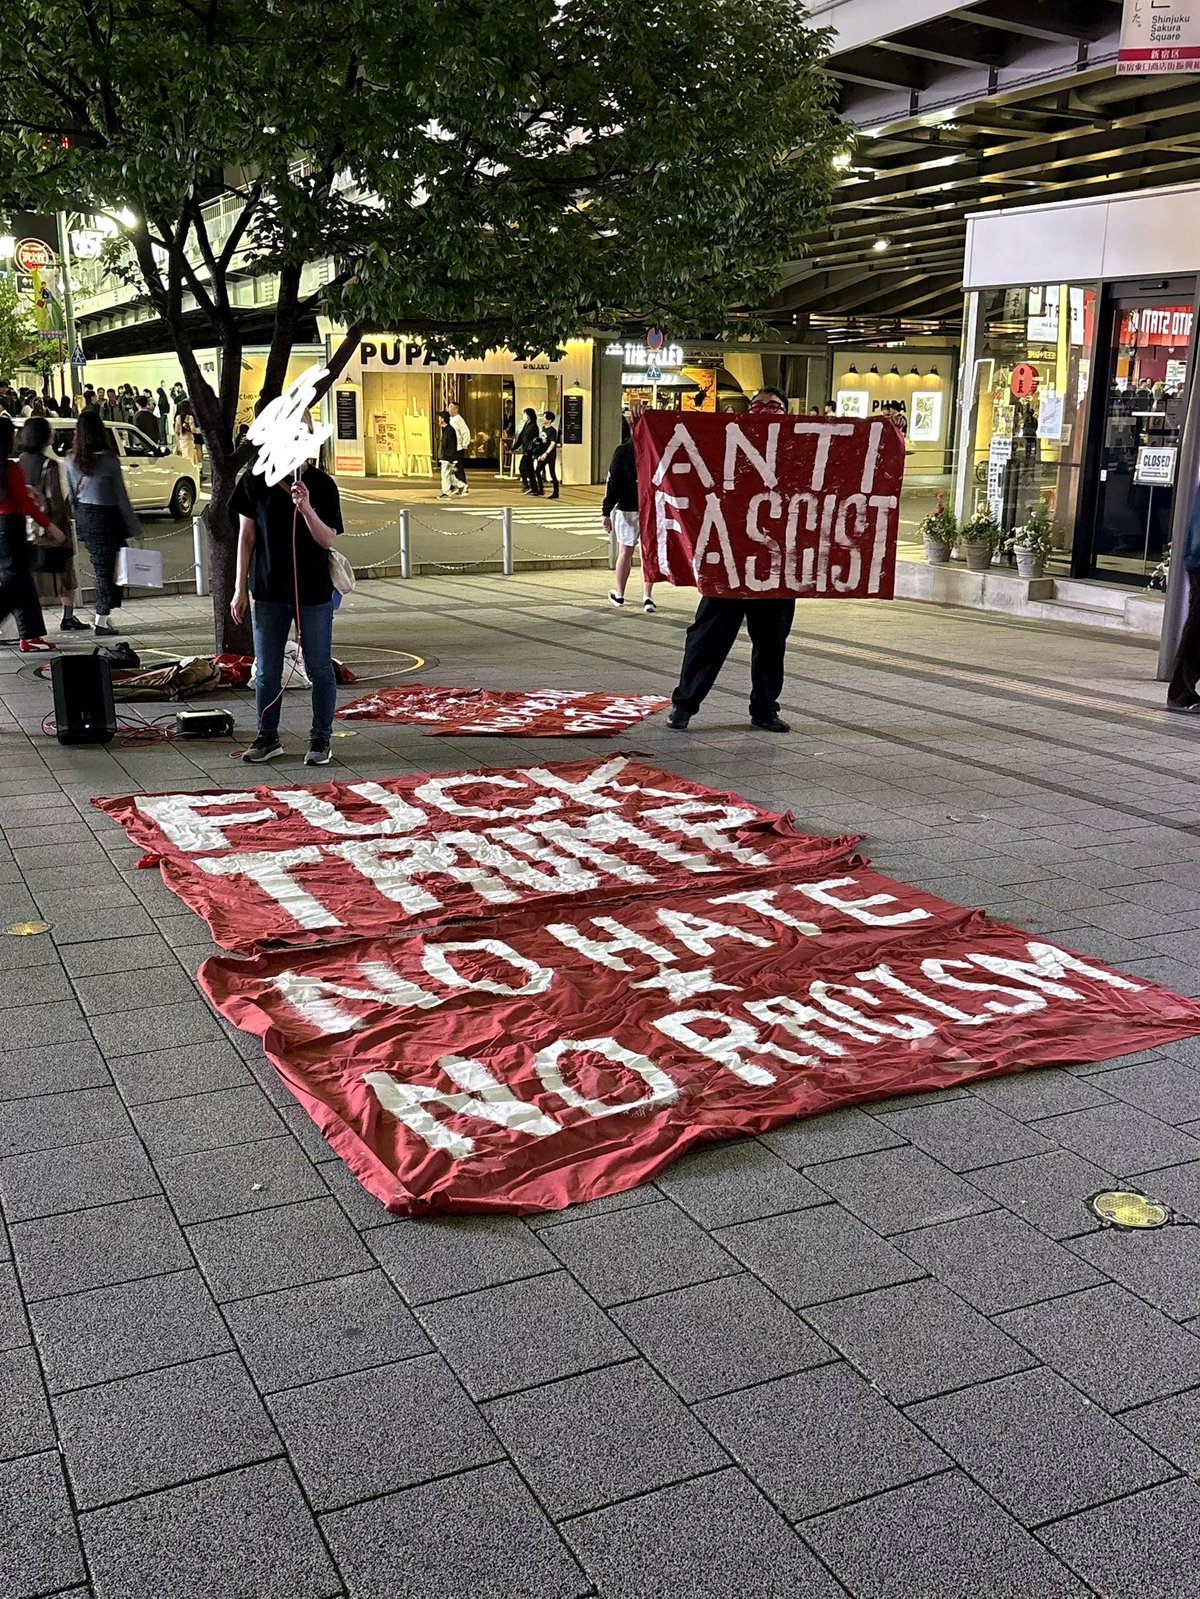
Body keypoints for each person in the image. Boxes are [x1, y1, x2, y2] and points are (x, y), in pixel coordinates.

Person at [667, 386, 795, 734]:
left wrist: (890, 430)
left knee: (771, 644)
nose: (765, 411)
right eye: (758, 406)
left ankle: (765, 708)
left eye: (774, 406)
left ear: (787, 413)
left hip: (774, 568)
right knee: (707, 638)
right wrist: (643, 422)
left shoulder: (799, 450)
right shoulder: (725, 444)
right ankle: (684, 704)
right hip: (728, 563)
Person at [231, 440, 344, 766]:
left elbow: (327, 538)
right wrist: (240, 588)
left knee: (318, 667)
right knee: (267, 671)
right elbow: (246, 536)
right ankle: (267, 737)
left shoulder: (322, 484)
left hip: (313, 591)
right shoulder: (255, 479)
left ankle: (320, 738)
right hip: (268, 589)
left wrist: (306, 508)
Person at [66, 408, 142, 636]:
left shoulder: (71, 460)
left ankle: (103, 615)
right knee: (109, 570)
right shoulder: (109, 461)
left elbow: (72, 494)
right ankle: (101, 619)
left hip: (86, 516)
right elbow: (121, 497)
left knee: (105, 567)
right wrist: (135, 527)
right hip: (108, 518)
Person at [0, 416, 67, 653]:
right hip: (11, 527)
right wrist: (51, 527)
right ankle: (29, 635)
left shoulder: (9, 467)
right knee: (15, 585)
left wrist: (25, 489)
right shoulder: (9, 468)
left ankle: (30, 635)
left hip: (4, 528)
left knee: (23, 583)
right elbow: (25, 505)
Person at [18, 417, 84, 632]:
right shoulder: (50, 464)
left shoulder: (19, 462)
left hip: (26, 528)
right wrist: (62, 529)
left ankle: (30, 621)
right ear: (46, 437)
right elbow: (55, 500)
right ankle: (68, 617)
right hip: (51, 527)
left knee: (31, 577)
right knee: (65, 572)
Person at [602, 435, 654, 613]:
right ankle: (647, 597)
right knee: (647, 554)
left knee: (625, 552)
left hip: (627, 507)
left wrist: (606, 511)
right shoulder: (654, 448)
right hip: (649, 508)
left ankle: (620, 594)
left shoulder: (623, 451)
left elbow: (614, 482)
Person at [436, 409, 464, 499]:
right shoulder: (446, 430)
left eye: (439, 417)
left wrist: (449, 458)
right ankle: (460, 485)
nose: (438, 419)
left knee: (445, 475)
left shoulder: (449, 430)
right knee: (449, 475)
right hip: (447, 457)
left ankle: (446, 493)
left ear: (443, 419)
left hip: (447, 457)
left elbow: (451, 445)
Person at [514, 407, 541, 495]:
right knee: (529, 469)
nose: (523, 416)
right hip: (526, 451)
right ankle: (533, 488)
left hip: (530, 452)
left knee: (523, 468)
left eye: (524, 414)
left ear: (529, 416)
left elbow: (533, 441)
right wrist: (514, 448)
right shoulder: (526, 425)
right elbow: (521, 438)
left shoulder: (534, 427)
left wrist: (529, 451)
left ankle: (527, 486)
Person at [447, 401, 470, 495]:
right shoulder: (450, 419)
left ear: (456, 409)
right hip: (452, 448)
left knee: (458, 468)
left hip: (458, 448)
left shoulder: (459, 420)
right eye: (449, 407)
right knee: (451, 468)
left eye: (451, 407)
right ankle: (454, 486)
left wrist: (465, 444)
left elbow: (465, 432)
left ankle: (463, 486)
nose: (449, 409)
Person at [537, 410, 560, 499]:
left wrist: (546, 453)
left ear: (549, 420)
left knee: (552, 472)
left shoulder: (553, 431)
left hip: (550, 455)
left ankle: (556, 492)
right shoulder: (543, 428)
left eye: (545, 417)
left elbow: (552, 443)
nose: (543, 419)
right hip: (542, 453)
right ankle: (540, 489)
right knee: (537, 470)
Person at [174, 400, 201, 466]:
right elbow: (193, 430)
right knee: (190, 457)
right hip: (189, 439)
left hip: (181, 440)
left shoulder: (178, 417)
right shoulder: (190, 417)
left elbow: (176, 430)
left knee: (183, 457)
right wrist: (200, 430)